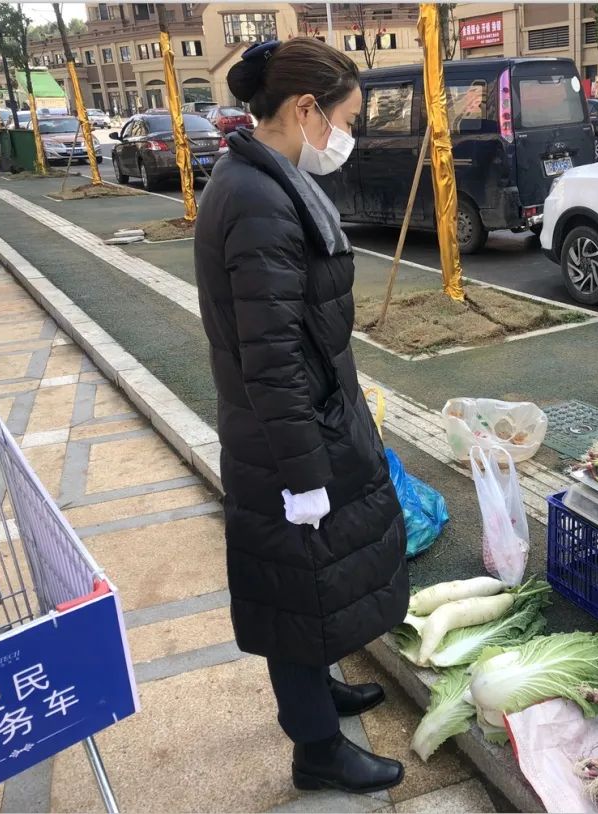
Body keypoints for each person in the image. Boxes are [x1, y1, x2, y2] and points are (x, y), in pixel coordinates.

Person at [194, 39, 409, 793]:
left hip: (301, 423)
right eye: (347, 119)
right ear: (305, 109)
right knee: (295, 587)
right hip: (287, 435)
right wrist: (305, 476)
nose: (348, 137)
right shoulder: (257, 199)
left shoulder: (265, 179)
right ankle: (318, 749)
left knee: (308, 582)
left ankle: (317, 690)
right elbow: (273, 359)